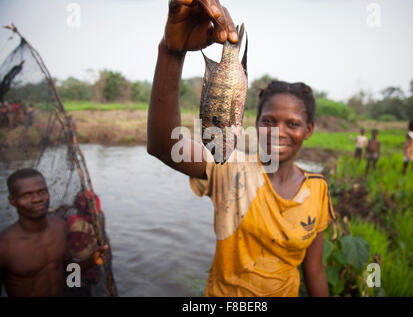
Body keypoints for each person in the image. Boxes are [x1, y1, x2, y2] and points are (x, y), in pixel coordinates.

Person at [147, 0, 335, 297]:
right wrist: (172, 52)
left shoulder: (318, 190)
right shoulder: (228, 167)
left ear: (308, 130)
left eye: (293, 124)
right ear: (253, 120)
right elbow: (162, 145)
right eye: (269, 121)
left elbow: (315, 270)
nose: (278, 132)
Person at [0, 168, 109, 297]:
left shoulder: (60, 227)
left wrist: (91, 261)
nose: (37, 199)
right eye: (27, 195)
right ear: (12, 201)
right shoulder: (5, 246)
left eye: (42, 192)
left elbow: (69, 270)